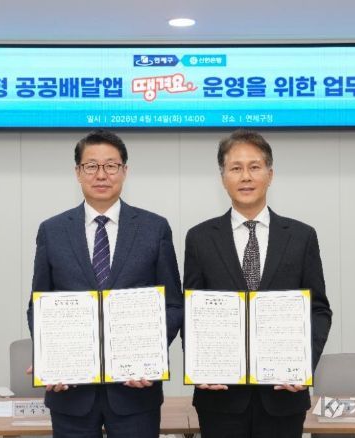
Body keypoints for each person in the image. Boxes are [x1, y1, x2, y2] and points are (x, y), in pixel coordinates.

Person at [27, 129, 183, 438]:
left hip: (135, 392)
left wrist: (148, 356)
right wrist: (49, 358)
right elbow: (39, 305)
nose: (101, 174)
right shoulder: (52, 231)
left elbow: (173, 305)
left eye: (111, 165)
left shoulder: (154, 228)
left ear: (124, 170)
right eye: (91, 166)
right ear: (78, 172)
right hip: (71, 393)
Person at [184, 129, 332, 438]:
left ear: (270, 174)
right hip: (220, 397)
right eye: (235, 168)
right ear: (223, 177)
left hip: (283, 396)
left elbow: (319, 310)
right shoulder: (199, 238)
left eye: (254, 167)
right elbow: (191, 312)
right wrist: (198, 366)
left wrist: (303, 364)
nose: (246, 176)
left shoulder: (301, 237)